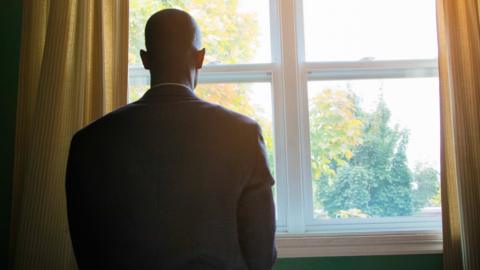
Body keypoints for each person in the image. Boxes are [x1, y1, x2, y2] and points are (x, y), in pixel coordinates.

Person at [66, 8, 277, 270]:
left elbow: (86, 251)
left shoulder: (88, 141)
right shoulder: (243, 135)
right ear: (200, 58)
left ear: (145, 59)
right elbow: (261, 254)